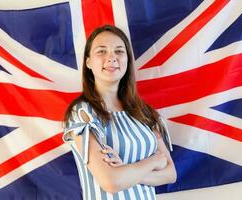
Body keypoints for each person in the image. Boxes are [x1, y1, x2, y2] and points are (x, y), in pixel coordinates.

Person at [63, 24, 177, 200]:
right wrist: (153, 161)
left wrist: (124, 169)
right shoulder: (82, 113)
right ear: (88, 62)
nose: (111, 58)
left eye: (119, 51)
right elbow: (111, 182)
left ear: (127, 60)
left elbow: (170, 173)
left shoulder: (143, 112)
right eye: (101, 51)